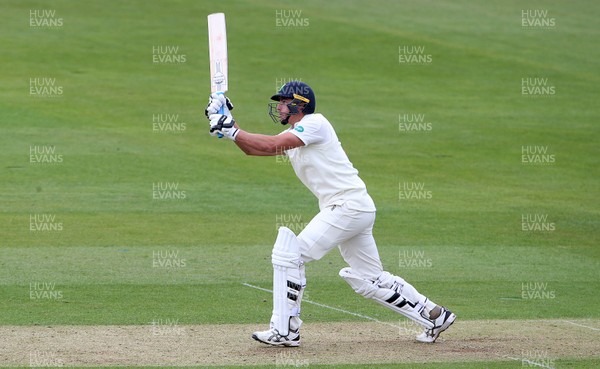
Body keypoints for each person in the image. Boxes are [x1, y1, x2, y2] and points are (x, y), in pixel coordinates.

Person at [205, 81, 456, 346]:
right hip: (356, 207)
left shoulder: (315, 124)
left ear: (299, 104)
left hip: (346, 207)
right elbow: (252, 149)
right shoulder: (297, 133)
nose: (278, 107)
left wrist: (232, 129)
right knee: (369, 278)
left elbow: (269, 145)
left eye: (283, 101)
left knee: (289, 254)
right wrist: (230, 127)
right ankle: (434, 314)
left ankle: (285, 330)